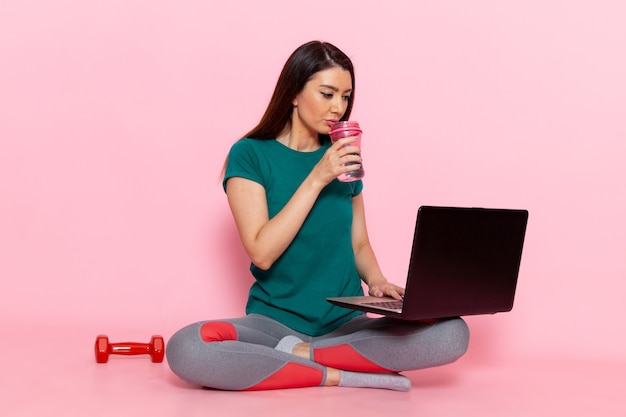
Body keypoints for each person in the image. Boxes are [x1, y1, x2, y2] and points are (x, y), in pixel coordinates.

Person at [166, 40, 469, 391]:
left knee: (452, 334)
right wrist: (317, 177)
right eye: (327, 94)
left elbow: (359, 243)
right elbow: (262, 253)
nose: (338, 108)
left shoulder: (343, 157)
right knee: (187, 348)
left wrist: (378, 281)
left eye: (345, 96)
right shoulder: (250, 155)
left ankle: (301, 357)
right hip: (272, 325)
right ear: (294, 93)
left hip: (347, 324)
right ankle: (340, 373)